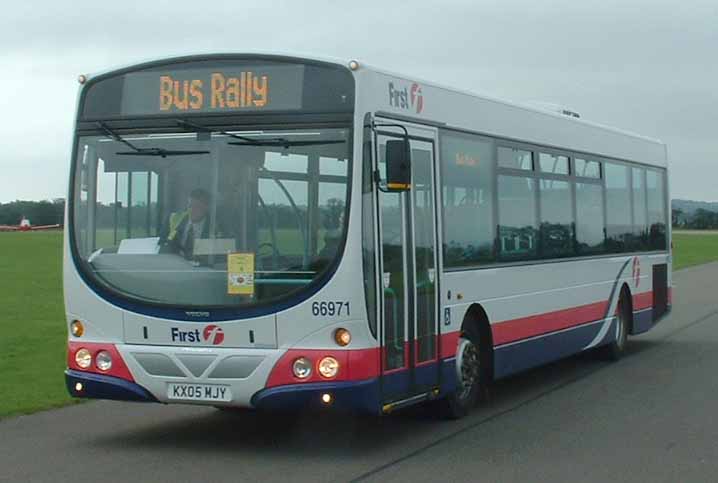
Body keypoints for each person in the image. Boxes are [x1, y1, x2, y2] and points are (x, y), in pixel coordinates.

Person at [164, 188, 212, 258]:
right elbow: (162, 247)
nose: (192, 210)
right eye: (190, 206)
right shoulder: (174, 219)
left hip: (202, 267)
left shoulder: (215, 227)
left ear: (206, 208)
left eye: (197, 207)